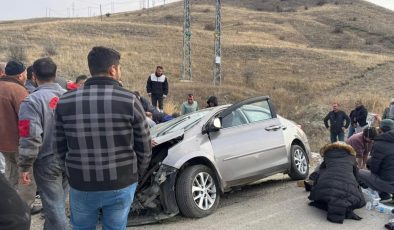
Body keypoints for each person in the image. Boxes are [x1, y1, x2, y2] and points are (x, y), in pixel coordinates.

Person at [55, 46, 152, 229]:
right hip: (121, 181)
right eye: (119, 68)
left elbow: (59, 147)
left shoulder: (65, 101)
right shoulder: (130, 100)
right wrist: (135, 174)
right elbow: (144, 146)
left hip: (81, 182)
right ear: (113, 69)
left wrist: (71, 172)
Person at [18, 58, 68, 229]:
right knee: (59, 202)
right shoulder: (70, 96)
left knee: (55, 207)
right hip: (72, 158)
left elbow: (29, 136)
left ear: (33, 76)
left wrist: (25, 166)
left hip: (47, 161)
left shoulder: (31, 102)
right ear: (56, 74)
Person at [0, 60, 40, 214]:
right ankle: (24, 208)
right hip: (17, 143)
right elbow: (25, 121)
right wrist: (29, 142)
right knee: (26, 177)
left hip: (2, 144)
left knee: (10, 173)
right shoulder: (18, 91)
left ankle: (9, 205)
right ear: (21, 74)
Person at [308, 142, 365, 224]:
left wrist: (314, 190)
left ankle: (330, 204)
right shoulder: (351, 158)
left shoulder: (327, 156)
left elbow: (318, 174)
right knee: (354, 197)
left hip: (326, 187)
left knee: (327, 192)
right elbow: (356, 177)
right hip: (348, 189)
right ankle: (341, 207)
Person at [359, 119, 394, 202]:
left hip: (388, 183)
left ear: (380, 129)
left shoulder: (380, 142)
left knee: (358, 172)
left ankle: (383, 194)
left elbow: (374, 169)